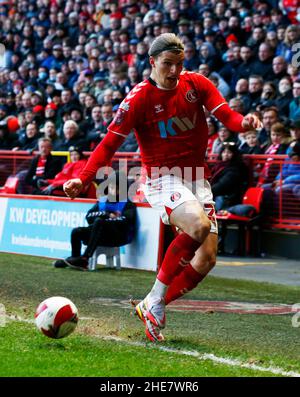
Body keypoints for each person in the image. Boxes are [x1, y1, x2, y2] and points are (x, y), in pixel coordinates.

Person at [63, 33, 262, 342]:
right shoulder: (138, 98)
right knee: (198, 226)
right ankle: (155, 300)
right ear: (152, 62)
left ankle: (152, 302)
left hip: (197, 177)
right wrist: (84, 178)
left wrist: (244, 123)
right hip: (161, 177)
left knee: (206, 258)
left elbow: (227, 116)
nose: (174, 72)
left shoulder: (196, 84)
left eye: (179, 64)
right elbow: (109, 143)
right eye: (168, 64)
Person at [54, 172, 136, 270]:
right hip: (99, 234)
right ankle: (75, 259)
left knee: (99, 221)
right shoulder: (103, 201)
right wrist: (107, 214)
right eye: (111, 186)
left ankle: (85, 259)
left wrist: (107, 220)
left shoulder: (128, 204)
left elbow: (126, 222)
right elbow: (89, 216)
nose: (112, 190)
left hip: (118, 236)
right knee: (77, 231)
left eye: (116, 187)